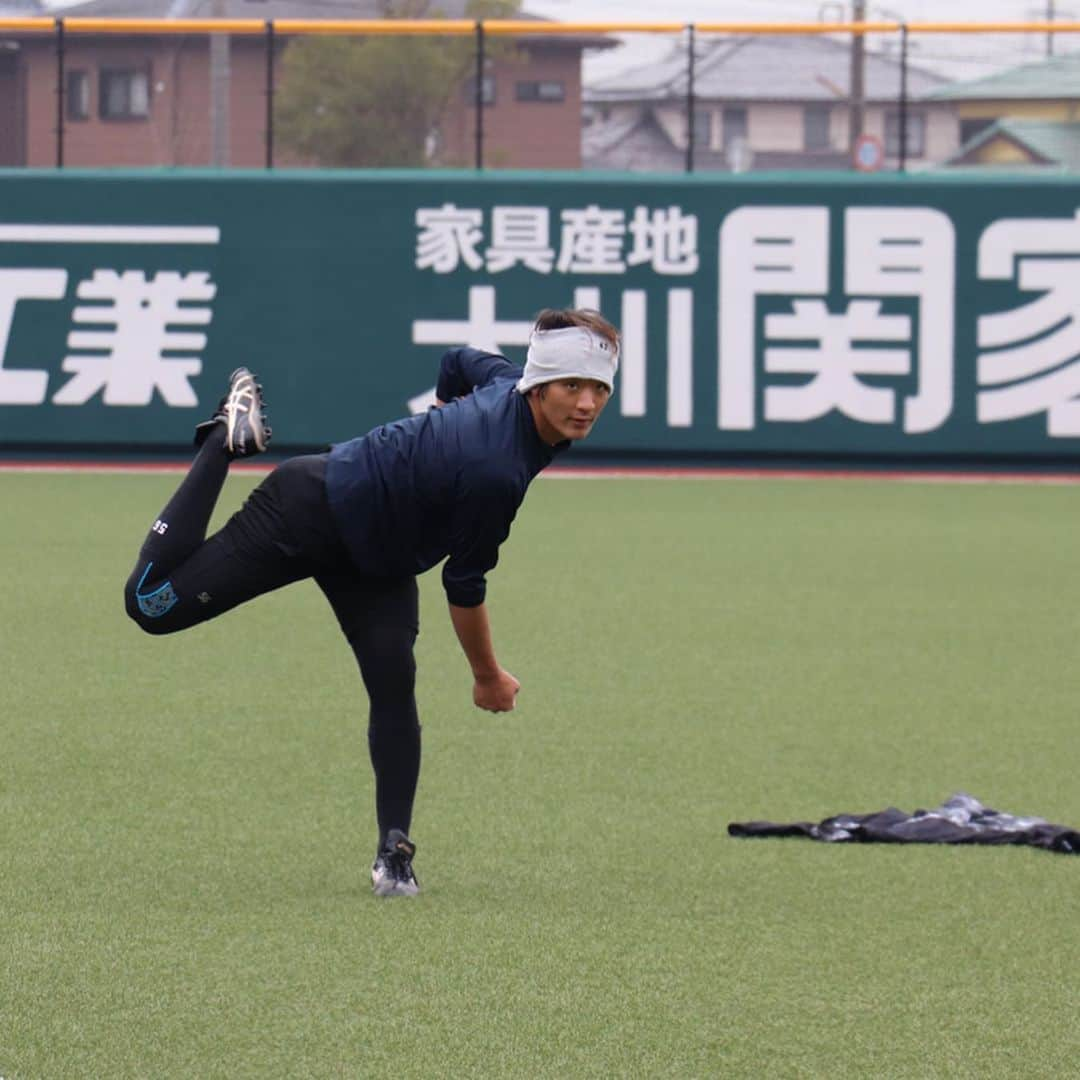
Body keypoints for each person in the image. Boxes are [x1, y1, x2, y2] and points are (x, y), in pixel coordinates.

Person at [124, 307, 620, 897]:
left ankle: (395, 851)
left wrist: (442, 405)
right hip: (309, 511)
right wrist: (487, 675)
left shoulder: (505, 384)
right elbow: (464, 587)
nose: (586, 402)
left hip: (379, 560)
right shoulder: (495, 471)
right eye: (571, 386)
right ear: (537, 385)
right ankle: (220, 444)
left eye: (599, 388)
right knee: (151, 605)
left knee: (393, 682)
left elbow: (458, 360)